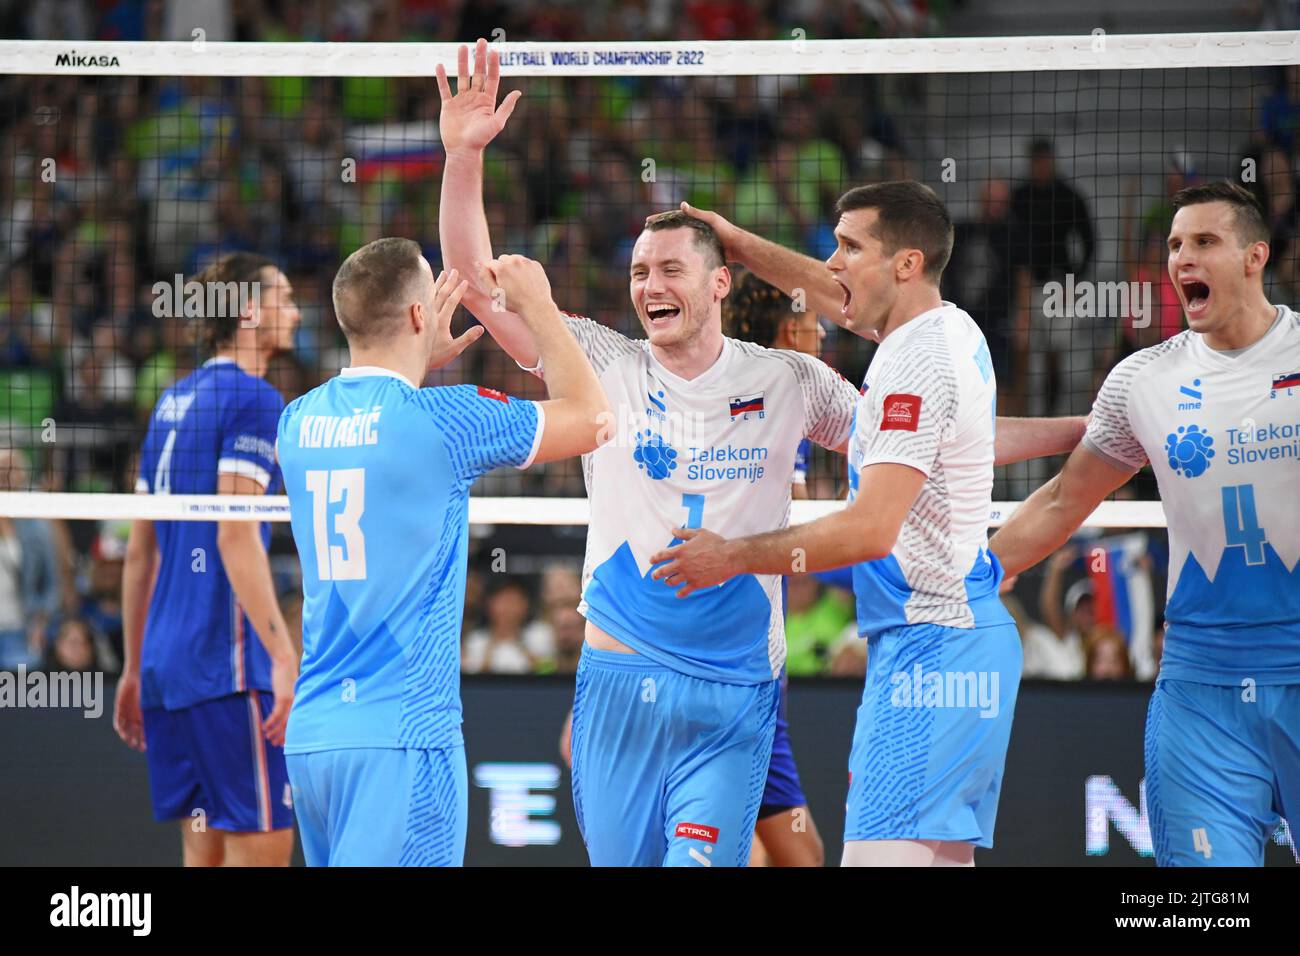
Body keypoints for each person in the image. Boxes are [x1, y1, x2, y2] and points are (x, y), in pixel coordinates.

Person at [439, 40, 862, 868]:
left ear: (718, 286)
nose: (649, 285)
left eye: (670, 268)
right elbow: (476, 282)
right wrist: (463, 158)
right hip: (617, 684)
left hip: (733, 691)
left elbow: (902, 436)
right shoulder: (599, 358)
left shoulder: (791, 380)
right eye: (638, 272)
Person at [652, 182, 1047, 867]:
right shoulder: (943, 328)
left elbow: (870, 531)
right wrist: (741, 245)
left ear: (906, 264)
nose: (830, 263)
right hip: (941, 640)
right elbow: (833, 293)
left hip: (934, 648)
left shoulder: (915, 363)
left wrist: (732, 556)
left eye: (849, 246)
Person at [990, 181, 1300, 866]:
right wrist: (974, 576)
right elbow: (1063, 501)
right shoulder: (1144, 380)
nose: (1183, 258)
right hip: (1200, 688)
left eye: (1205, 242)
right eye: (1175, 245)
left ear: (1256, 256)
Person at [277, 238, 607, 867]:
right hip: (403, 737)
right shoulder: (446, 419)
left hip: (316, 740)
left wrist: (413, 358)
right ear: (420, 316)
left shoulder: (297, 421)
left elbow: (380, 439)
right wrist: (538, 306)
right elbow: (595, 418)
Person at [116, 252, 301, 867]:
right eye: (284, 298)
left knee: (205, 857)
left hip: (168, 671)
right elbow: (234, 535)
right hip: (228, 668)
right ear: (250, 312)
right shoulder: (255, 400)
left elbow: (139, 555)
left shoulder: (170, 404)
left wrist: (134, 667)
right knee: (264, 852)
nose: (296, 312)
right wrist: (281, 653)